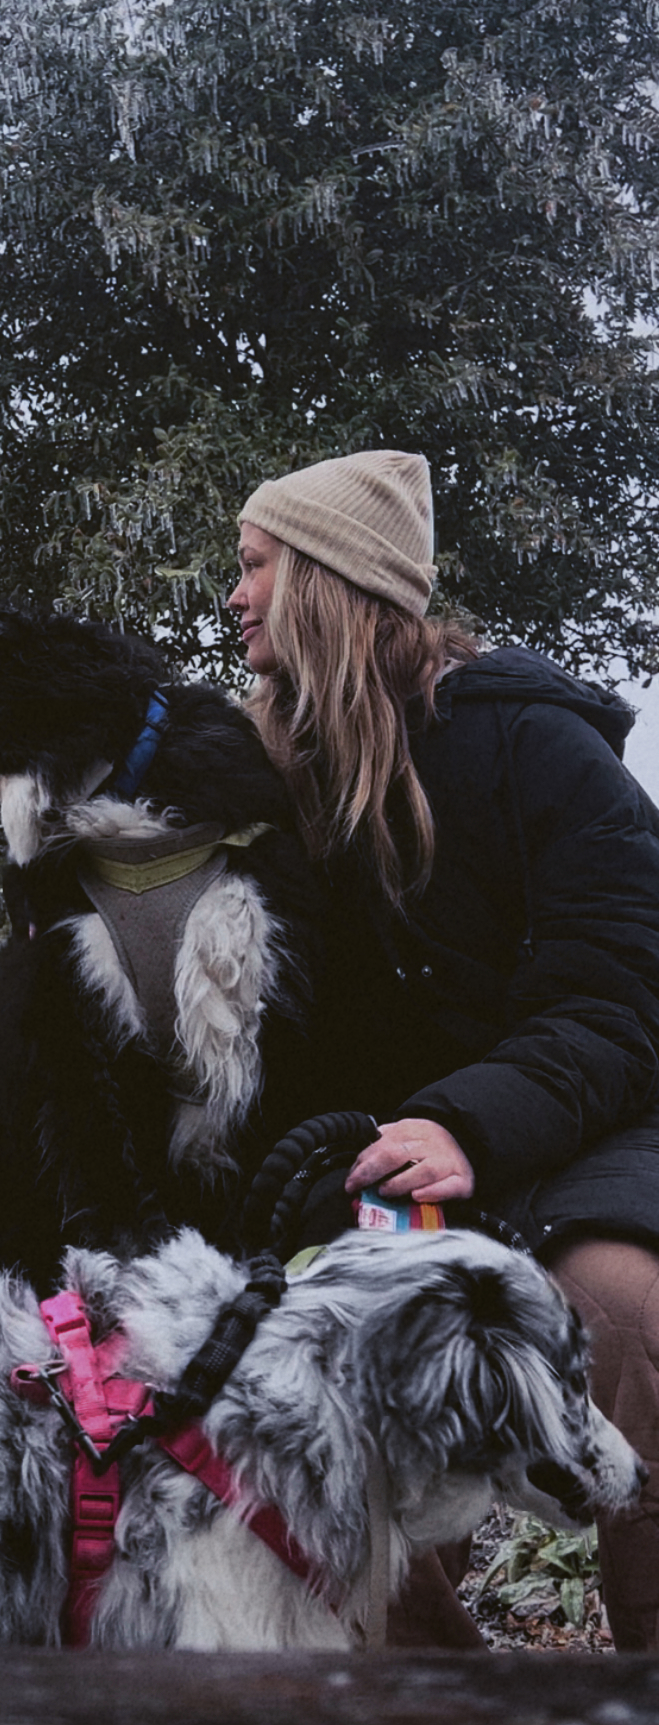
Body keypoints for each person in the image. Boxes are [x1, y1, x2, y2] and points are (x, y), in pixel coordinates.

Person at [228, 448, 659, 1651]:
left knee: (629, 1315)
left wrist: (469, 1122)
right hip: (393, 1171)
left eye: (255, 565)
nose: (234, 596)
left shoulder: (536, 746)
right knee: (331, 1358)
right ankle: (428, 1680)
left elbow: (623, 993)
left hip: (585, 1140)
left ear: (326, 579)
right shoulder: (268, 777)